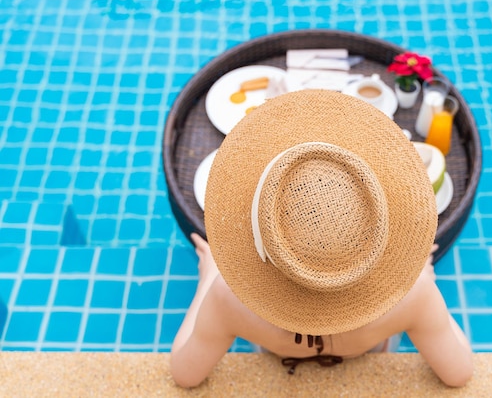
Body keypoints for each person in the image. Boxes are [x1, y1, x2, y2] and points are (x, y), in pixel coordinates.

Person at [170, 89, 473, 388]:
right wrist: (424, 277)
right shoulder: (414, 296)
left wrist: (208, 279)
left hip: (275, 354)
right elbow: (458, 374)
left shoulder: (227, 297)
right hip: (368, 351)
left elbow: (185, 375)